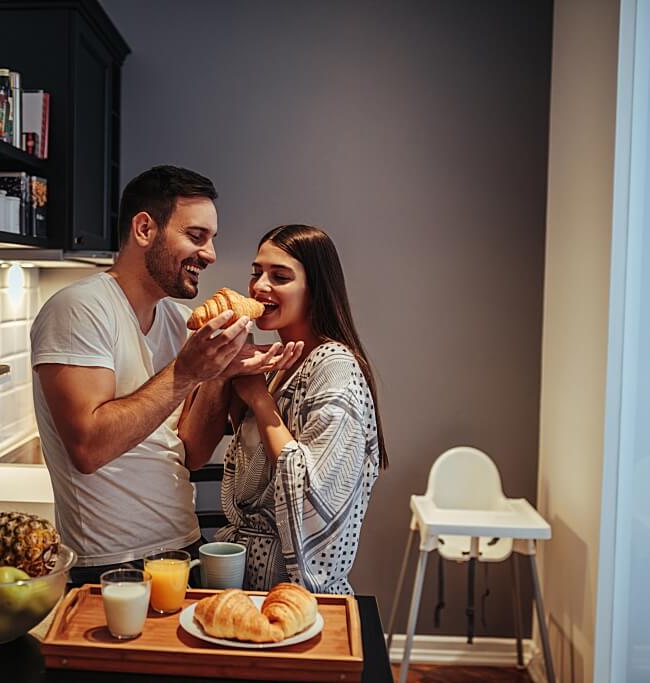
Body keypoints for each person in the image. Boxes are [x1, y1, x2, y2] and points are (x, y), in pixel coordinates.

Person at [30, 165, 299, 585]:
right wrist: (187, 370)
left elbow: (189, 453)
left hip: (182, 549)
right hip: (110, 565)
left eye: (211, 240)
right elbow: (88, 449)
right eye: (196, 237)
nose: (209, 255)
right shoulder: (79, 309)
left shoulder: (179, 322)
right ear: (143, 229)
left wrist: (216, 376)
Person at [198, 224, 387, 595]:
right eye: (256, 273)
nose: (259, 286)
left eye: (279, 277)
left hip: (299, 594)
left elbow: (317, 492)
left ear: (315, 291)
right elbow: (245, 463)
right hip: (249, 585)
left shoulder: (334, 365)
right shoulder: (280, 364)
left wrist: (258, 399)